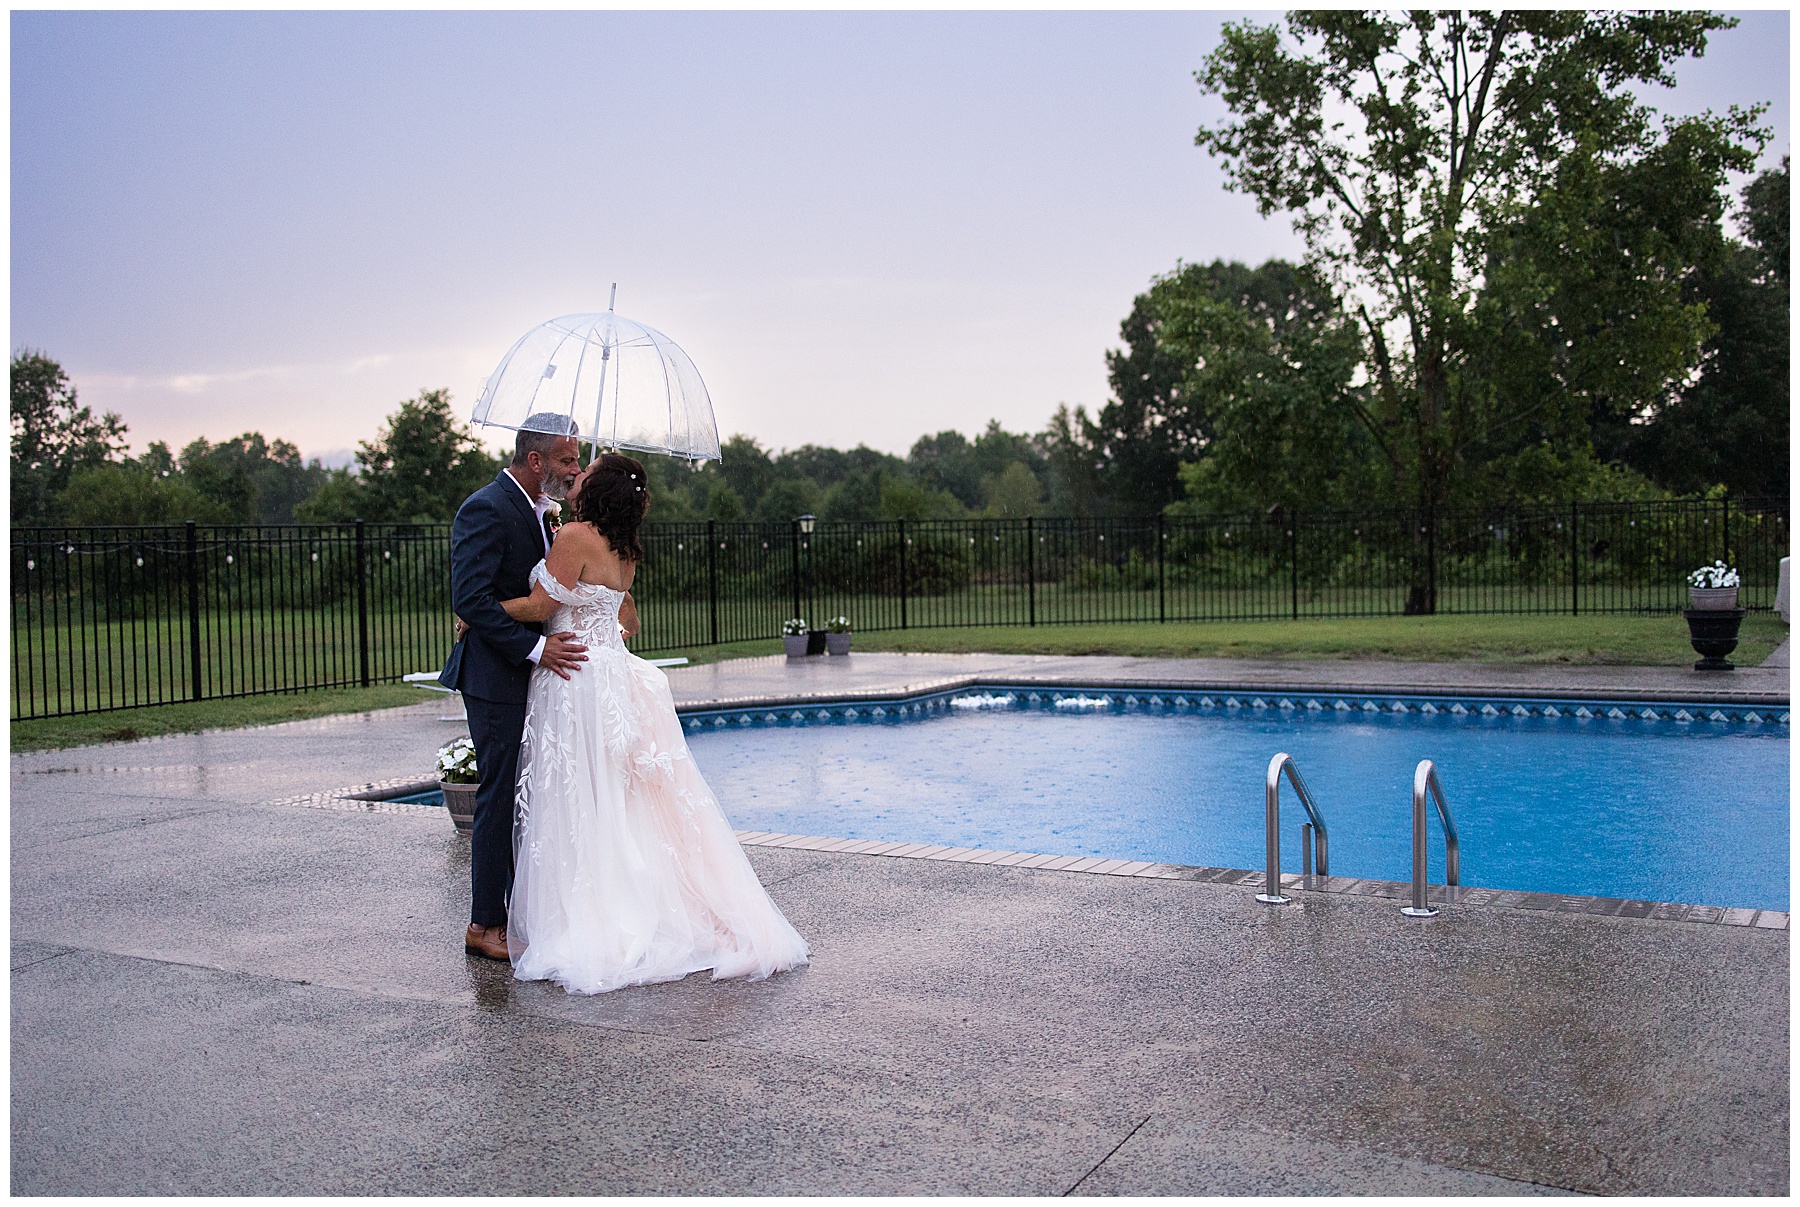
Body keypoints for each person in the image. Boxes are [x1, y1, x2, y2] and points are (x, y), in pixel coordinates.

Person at [495, 451, 809, 994]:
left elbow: (540, 606)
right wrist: (601, 619)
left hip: (577, 680)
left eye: (585, 474)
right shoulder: (624, 549)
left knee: (582, 799)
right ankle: (642, 901)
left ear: (597, 492)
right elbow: (629, 619)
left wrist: (480, 611)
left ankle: (598, 914)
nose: (577, 476)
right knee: (619, 800)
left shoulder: (574, 537)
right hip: (613, 678)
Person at [439, 414, 590, 961]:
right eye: (567, 461)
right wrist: (536, 648)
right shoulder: (485, 507)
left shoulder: (543, 514)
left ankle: (520, 911)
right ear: (536, 461)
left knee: (528, 798)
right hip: (494, 676)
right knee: (498, 796)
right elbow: (470, 599)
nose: (574, 470)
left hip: (533, 677)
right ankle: (484, 924)